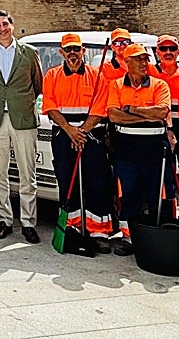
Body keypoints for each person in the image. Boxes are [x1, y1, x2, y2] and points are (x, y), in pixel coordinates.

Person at [41, 33, 114, 252]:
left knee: (97, 182)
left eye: (76, 49)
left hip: (91, 135)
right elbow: (51, 107)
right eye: (68, 49)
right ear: (61, 52)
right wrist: (71, 131)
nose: (73, 53)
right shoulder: (52, 75)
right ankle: (72, 227)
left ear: (83, 51)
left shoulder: (97, 75)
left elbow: (101, 108)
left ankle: (98, 231)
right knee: (67, 181)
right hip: (64, 135)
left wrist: (82, 131)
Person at [0, 11, 43, 242]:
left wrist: (22, 102)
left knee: (27, 172)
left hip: (23, 118)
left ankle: (28, 221)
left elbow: (38, 84)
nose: (2, 28)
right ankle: (4, 219)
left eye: (5, 24)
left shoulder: (29, 52)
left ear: (12, 26)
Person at [105, 42, 170, 256]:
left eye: (146, 59)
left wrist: (130, 110)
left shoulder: (159, 85)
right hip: (126, 149)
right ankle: (128, 237)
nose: (144, 63)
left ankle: (156, 235)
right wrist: (145, 114)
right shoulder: (115, 85)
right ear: (127, 62)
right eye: (139, 59)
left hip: (154, 149)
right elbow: (114, 116)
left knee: (156, 194)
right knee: (128, 193)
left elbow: (161, 112)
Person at [148, 33, 179, 216]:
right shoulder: (149, 73)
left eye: (172, 48)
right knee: (163, 176)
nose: (168, 52)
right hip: (159, 128)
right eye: (163, 49)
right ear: (157, 52)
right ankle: (168, 217)